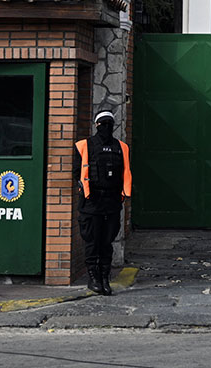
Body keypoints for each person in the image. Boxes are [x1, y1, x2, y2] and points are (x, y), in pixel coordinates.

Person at [75, 107, 131, 296]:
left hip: (112, 202)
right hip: (91, 203)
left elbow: (126, 173)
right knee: (92, 242)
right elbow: (77, 172)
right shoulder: (83, 145)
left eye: (110, 124)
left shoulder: (121, 147)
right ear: (97, 125)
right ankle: (93, 278)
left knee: (107, 242)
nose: (106, 127)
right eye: (103, 124)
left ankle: (105, 278)